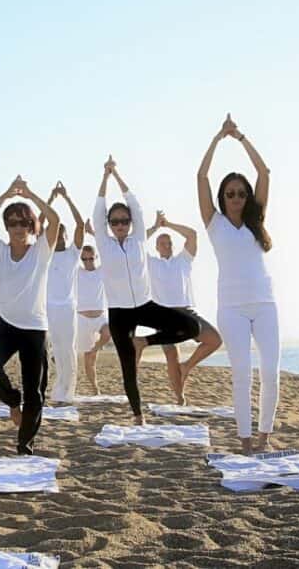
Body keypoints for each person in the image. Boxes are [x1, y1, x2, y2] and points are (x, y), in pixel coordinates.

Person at [91, 155, 200, 424]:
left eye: (124, 221)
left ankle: (145, 341)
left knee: (190, 328)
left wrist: (116, 174)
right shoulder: (104, 243)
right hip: (119, 312)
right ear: (108, 225)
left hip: (144, 305)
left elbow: (135, 204)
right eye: (114, 222)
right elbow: (98, 208)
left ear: (130, 222)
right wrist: (104, 178)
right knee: (128, 367)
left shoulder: (138, 237)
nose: (119, 225)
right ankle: (138, 415)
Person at [198, 113, 279, 454]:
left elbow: (264, 173)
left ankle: (264, 438)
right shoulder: (213, 222)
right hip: (230, 308)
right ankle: (245, 442)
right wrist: (218, 138)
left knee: (271, 373)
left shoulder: (255, 221)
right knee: (242, 374)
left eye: (241, 193)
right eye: (230, 193)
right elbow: (201, 175)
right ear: (222, 196)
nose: (235, 198)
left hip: (264, 303)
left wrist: (241, 137)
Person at [0, 176, 59, 455]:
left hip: (35, 329)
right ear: (7, 227)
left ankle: (25, 443)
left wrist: (30, 194)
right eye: (12, 223)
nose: (18, 228)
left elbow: (55, 220)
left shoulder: (41, 251)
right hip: (6, 324)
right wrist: (6, 194)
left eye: (24, 223)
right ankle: (13, 401)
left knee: (35, 392)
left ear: (32, 226)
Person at [146, 210, 223, 404]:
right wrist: (156, 227)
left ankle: (187, 366)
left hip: (186, 312)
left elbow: (192, 235)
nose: (167, 246)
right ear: (156, 247)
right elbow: (135, 243)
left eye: (169, 243)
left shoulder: (183, 260)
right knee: (171, 354)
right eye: (162, 243)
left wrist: (168, 224)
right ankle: (179, 397)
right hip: (162, 315)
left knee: (214, 340)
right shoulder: (150, 263)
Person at [41, 182, 84, 403]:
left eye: (61, 233)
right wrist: (49, 199)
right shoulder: (44, 253)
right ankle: (53, 388)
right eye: (55, 232)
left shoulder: (73, 254)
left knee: (68, 351)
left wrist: (66, 198)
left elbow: (80, 225)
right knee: (52, 351)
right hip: (47, 309)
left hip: (67, 308)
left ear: (65, 236)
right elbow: (38, 224)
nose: (58, 236)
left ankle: (67, 392)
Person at [76, 236, 111, 395]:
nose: (88, 261)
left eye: (90, 258)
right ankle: (95, 389)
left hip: (100, 317)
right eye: (84, 259)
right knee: (89, 360)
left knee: (108, 333)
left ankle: (95, 348)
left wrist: (93, 233)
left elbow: (110, 250)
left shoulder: (102, 271)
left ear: (96, 257)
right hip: (82, 319)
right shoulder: (77, 272)